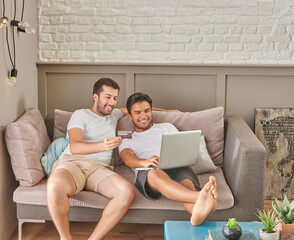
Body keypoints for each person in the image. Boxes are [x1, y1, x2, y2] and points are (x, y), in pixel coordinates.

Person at [47, 78, 171, 240]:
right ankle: (66, 238)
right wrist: (103, 146)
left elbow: (136, 109)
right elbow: (76, 146)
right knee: (55, 184)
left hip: (100, 169)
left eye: (114, 98)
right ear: (95, 97)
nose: (111, 103)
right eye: (107, 97)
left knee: (126, 191)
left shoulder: (114, 114)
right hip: (74, 162)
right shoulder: (81, 114)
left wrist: (170, 111)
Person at [119, 93, 218, 226]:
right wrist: (145, 162)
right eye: (137, 113)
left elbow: (181, 146)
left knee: (187, 183)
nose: (143, 116)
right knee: (154, 173)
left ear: (151, 111)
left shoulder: (166, 127)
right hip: (149, 171)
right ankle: (202, 197)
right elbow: (127, 158)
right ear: (130, 116)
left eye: (147, 111)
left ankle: (197, 214)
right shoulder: (127, 138)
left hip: (175, 165)